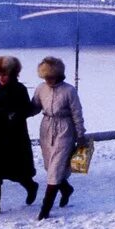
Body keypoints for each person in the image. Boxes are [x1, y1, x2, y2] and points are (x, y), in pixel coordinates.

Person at [0, 55, 39, 217]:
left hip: (15, 138)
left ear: (12, 74)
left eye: (4, 74)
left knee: (16, 172)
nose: (1, 78)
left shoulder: (20, 90)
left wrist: (12, 116)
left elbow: (25, 110)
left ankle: (31, 186)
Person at [32, 56, 87, 220]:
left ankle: (45, 208)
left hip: (65, 130)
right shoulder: (41, 89)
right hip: (46, 128)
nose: (48, 80)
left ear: (58, 75)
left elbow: (77, 113)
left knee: (55, 169)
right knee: (50, 167)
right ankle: (66, 189)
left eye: (51, 76)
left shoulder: (69, 91)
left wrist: (80, 134)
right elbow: (34, 106)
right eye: (45, 77)